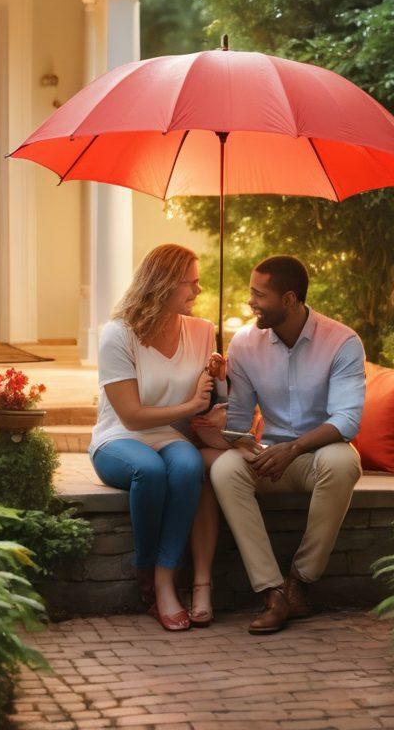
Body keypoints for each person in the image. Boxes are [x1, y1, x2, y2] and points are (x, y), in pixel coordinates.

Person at [209, 255, 365, 635]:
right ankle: (273, 592)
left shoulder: (342, 341)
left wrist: (294, 449)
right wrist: (218, 384)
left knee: (343, 461)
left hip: (316, 457)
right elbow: (239, 422)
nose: (251, 302)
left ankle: (300, 580)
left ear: (290, 299)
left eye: (259, 295)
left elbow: (346, 420)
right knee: (225, 469)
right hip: (272, 458)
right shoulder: (244, 344)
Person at [88, 243, 226, 632]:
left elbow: (211, 398)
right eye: (190, 284)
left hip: (170, 437)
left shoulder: (202, 331)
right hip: (118, 438)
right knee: (149, 471)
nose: (198, 292)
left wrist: (217, 380)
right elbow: (130, 416)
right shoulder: (118, 334)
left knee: (187, 467)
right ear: (163, 284)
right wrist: (190, 405)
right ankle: (146, 574)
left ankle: (167, 578)